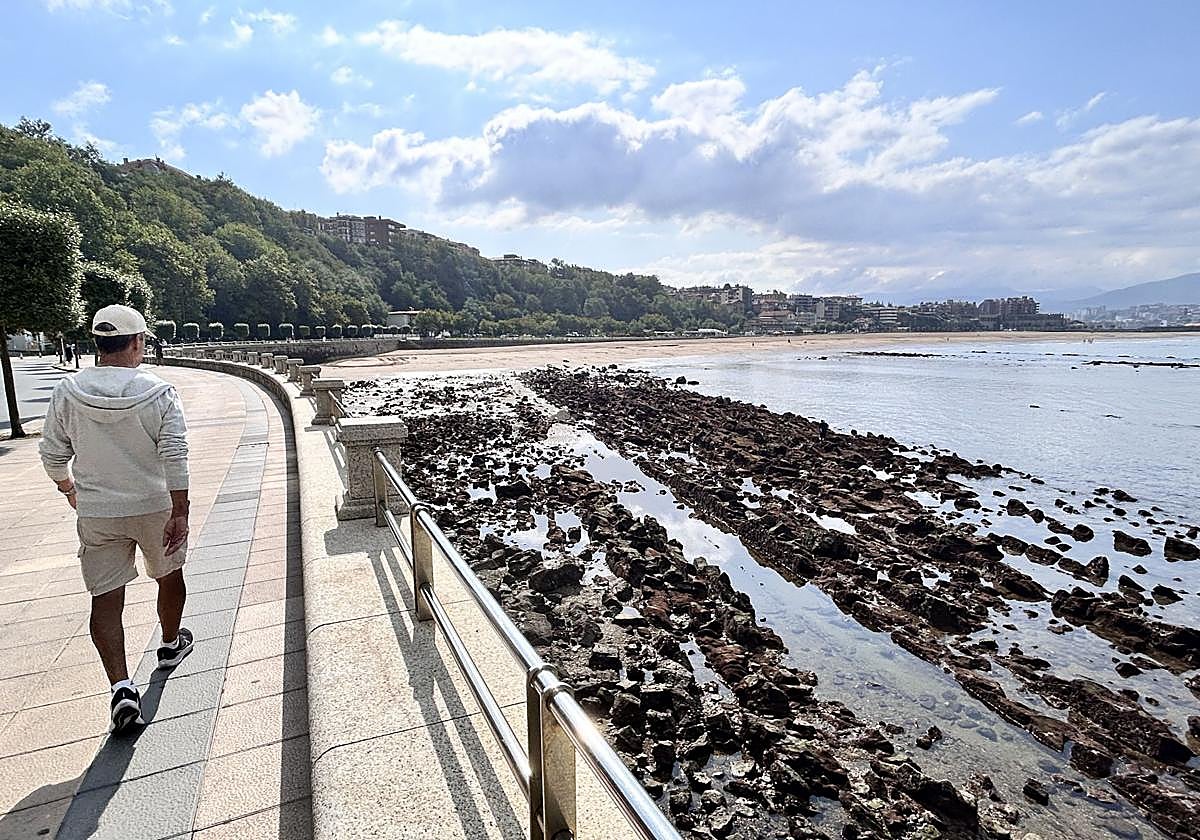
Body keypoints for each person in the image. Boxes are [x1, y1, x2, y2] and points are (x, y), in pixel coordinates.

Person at [39, 305, 194, 733]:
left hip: (98, 510)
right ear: (139, 341)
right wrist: (180, 510)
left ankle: (121, 687)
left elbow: (52, 453)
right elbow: (175, 455)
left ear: (98, 344)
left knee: (105, 597)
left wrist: (68, 489)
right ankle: (168, 645)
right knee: (169, 574)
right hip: (153, 504)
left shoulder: (68, 391)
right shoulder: (159, 391)